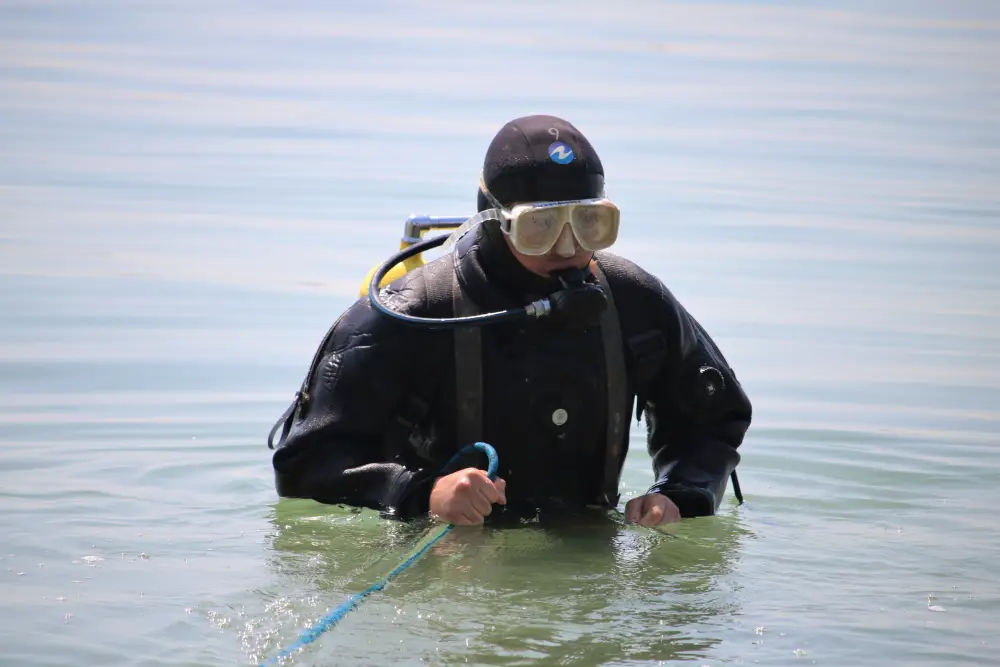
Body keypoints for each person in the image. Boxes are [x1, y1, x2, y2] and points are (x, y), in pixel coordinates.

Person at [267, 114, 752, 528]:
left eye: (588, 224)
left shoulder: (633, 301)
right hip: (441, 562)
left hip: (588, 546)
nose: (568, 248)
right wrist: (420, 496)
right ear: (495, 221)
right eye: (539, 227)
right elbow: (304, 466)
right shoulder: (411, 315)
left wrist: (680, 494)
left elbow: (714, 420)